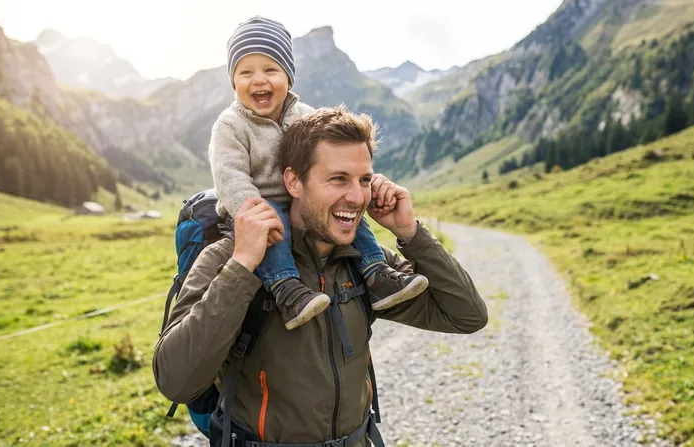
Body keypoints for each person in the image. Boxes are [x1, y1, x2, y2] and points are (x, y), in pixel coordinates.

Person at [153, 105, 488, 446]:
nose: (357, 197)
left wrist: (410, 233)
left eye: (365, 180)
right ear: (293, 181)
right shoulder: (230, 259)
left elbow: (466, 316)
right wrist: (242, 266)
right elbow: (176, 383)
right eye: (338, 179)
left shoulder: (365, 266)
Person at [208, 15, 429, 331]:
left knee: (353, 211)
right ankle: (287, 290)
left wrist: (353, 182)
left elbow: (334, 158)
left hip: (300, 200)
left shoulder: (306, 116)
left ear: (288, 76)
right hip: (254, 206)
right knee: (274, 221)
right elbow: (229, 176)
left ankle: (377, 274)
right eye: (245, 72)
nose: (258, 79)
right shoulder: (231, 126)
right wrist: (252, 211)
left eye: (270, 69)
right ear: (233, 82)